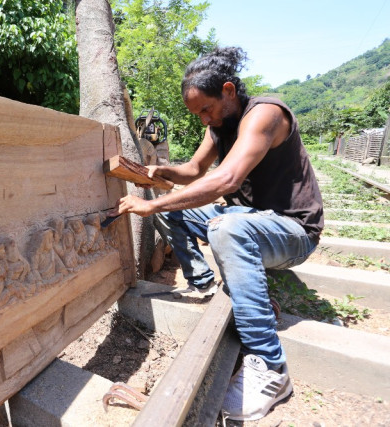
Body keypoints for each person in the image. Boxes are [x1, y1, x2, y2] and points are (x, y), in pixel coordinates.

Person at [110, 47, 324, 421]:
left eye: (205, 109)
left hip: (292, 231)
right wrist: (157, 174)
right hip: (249, 219)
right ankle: (209, 286)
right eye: (197, 115)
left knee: (224, 225)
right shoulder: (218, 126)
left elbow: (226, 179)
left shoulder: (265, 114)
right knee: (181, 212)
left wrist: (153, 204)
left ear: (228, 91)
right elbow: (194, 169)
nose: (203, 119)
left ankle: (271, 369)